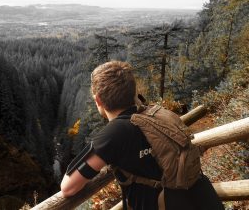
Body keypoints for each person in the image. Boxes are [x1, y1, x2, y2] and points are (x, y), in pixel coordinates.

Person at [60, 61, 224, 210]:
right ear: (134, 92)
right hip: (205, 200)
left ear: (98, 100)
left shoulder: (114, 133)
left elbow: (68, 188)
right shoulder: (159, 113)